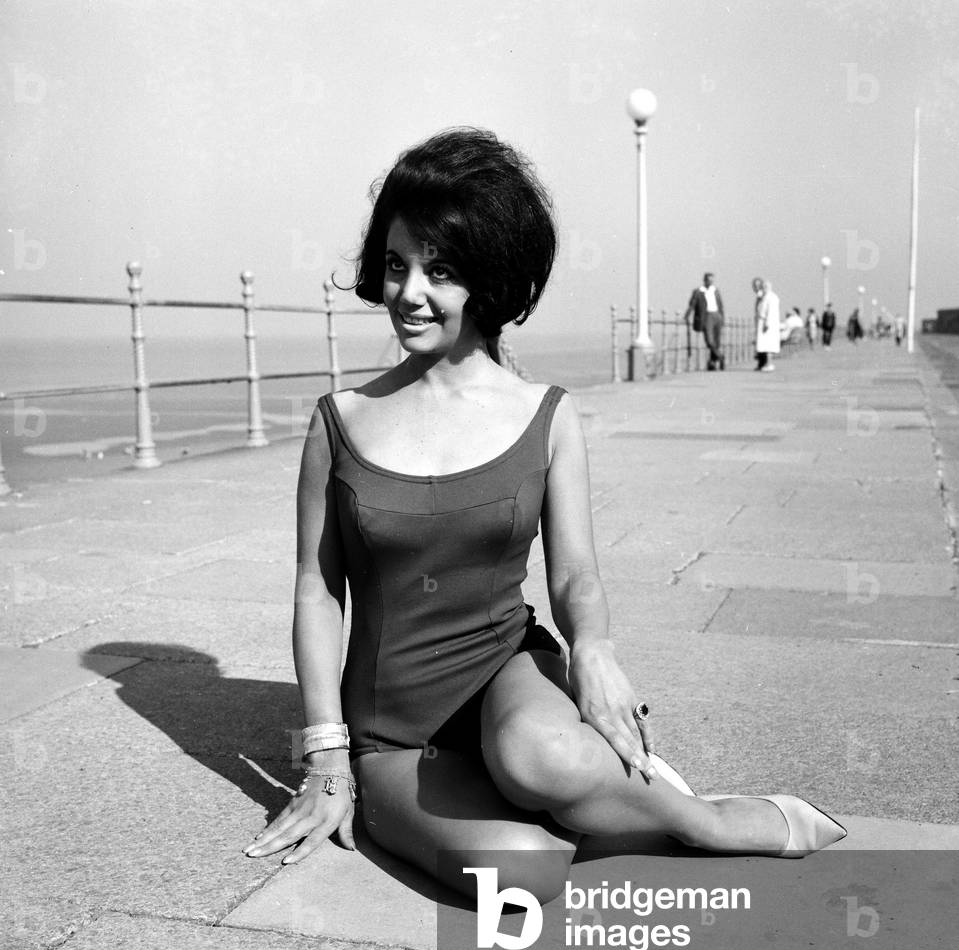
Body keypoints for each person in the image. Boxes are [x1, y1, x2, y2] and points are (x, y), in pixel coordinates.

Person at [243, 128, 845, 903]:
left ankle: (704, 820)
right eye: (396, 265)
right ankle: (578, 799)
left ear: (491, 279)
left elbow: (575, 571)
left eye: (440, 270)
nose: (409, 292)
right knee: (525, 873)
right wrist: (325, 757)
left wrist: (592, 652)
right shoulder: (340, 421)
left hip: (508, 673)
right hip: (393, 728)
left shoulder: (547, 415)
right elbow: (316, 592)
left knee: (543, 760)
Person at [684, 272, 725, 371]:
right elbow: (692, 304)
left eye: (712, 280)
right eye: (709, 280)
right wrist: (687, 315)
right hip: (706, 316)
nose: (710, 282)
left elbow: (720, 305)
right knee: (709, 340)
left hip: (717, 315)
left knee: (716, 341)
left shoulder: (716, 291)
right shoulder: (698, 291)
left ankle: (712, 363)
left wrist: (722, 317)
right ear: (705, 280)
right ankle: (720, 357)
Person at [755, 279, 781, 372]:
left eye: (764, 287)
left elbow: (771, 312)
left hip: (767, 322)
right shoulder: (765, 297)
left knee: (768, 345)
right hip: (763, 321)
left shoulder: (772, 297)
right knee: (764, 345)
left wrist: (767, 323)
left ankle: (769, 364)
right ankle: (766, 363)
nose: (763, 288)